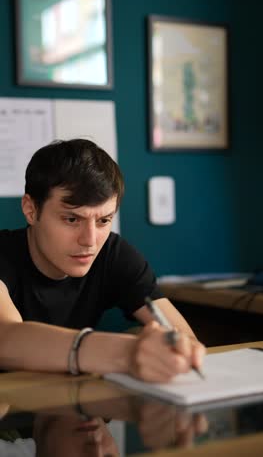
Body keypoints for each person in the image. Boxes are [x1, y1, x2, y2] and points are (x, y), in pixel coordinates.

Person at [0, 138, 205, 382]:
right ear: (31, 210)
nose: (90, 241)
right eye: (72, 220)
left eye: (104, 221)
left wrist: (173, 352)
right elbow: (6, 339)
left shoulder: (113, 253)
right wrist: (126, 352)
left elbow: (184, 339)